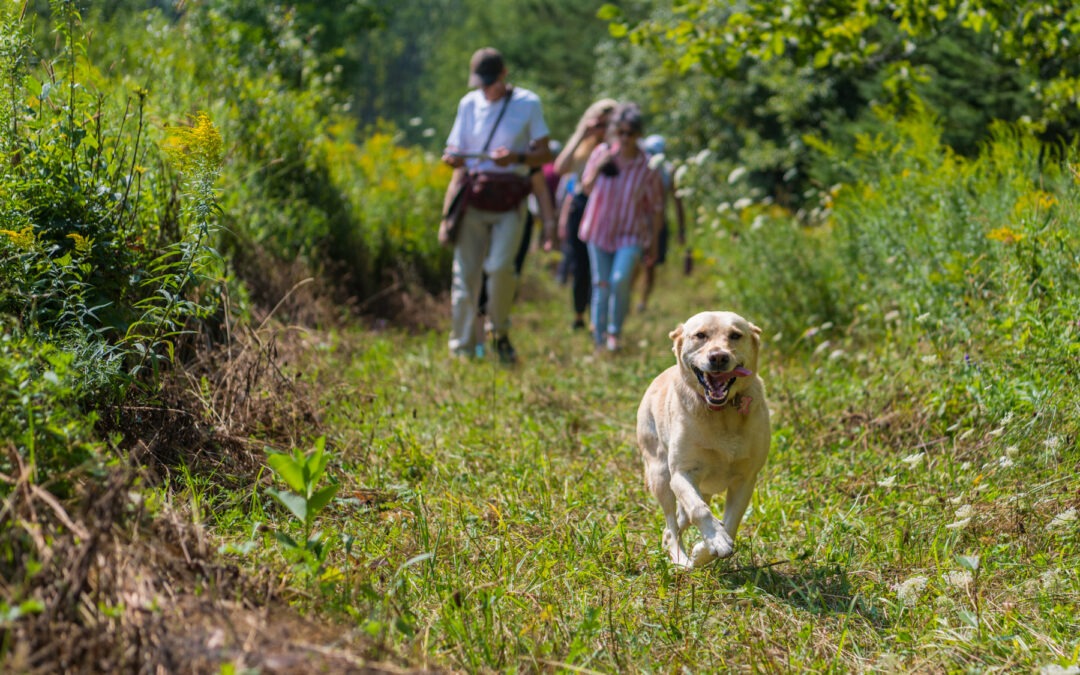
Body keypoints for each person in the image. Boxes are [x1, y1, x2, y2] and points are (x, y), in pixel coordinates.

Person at [442, 48, 552, 364]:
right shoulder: (468, 104)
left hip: (510, 198)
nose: (486, 89)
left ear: (504, 75)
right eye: (482, 83)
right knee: (465, 275)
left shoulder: (528, 103)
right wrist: (453, 157)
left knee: (501, 268)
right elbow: (456, 147)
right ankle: (461, 349)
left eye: (491, 82)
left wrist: (516, 157)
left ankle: (499, 332)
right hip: (474, 197)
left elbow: (545, 154)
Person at [578, 102, 663, 353]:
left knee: (620, 280)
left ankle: (614, 332)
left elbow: (656, 207)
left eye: (630, 133)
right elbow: (586, 188)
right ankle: (599, 339)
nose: (625, 138)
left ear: (638, 134)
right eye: (620, 132)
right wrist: (598, 167)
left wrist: (654, 243)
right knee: (601, 284)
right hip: (599, 230)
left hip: (630, 233)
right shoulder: (602, 153)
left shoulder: (647, 165)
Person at [553, 99, 618, 331]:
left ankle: (600, 318)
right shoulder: (584, 148)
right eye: (599, 124)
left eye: (608, 124)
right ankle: (580, 314)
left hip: (610, 209)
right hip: (582, 207)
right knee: (581, 265)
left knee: (605, 268)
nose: (603, 130)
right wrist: (582, 133)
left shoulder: (619, 149)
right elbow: (560, 168)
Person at [635, 134, 686, 312]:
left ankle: (642, 301)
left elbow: (677, 201)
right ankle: (633, 298)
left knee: (650, 264)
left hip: (656, 224)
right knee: (637, 262)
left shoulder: (668, 172)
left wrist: (682, 230)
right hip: (639, 224)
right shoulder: (639, 168)